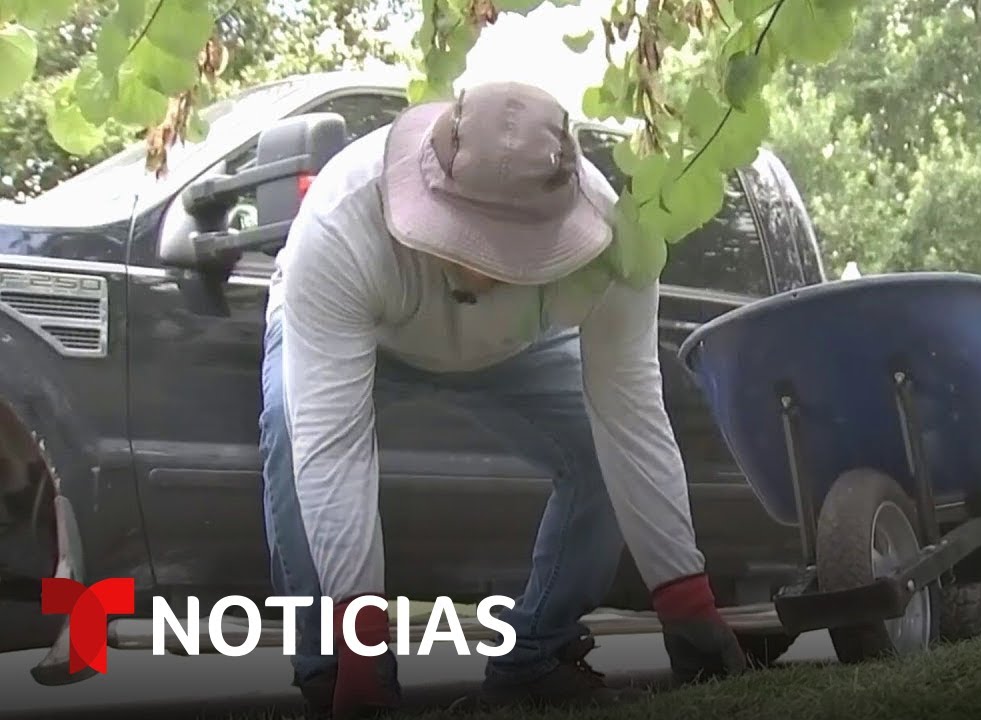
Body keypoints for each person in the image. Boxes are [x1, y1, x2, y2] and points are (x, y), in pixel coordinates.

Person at [257, 80, 748, 720]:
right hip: (360, 330)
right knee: (293, 433)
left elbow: (630, 419)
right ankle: (334, 677)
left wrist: (686, 601)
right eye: (467, 236)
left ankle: (533, 658)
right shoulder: (342, 218)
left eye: (513, 249)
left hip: (517, 346)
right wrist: (363, 653)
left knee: (597, 452)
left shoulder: (614, 243)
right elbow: (332, 451)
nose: (485, 269)